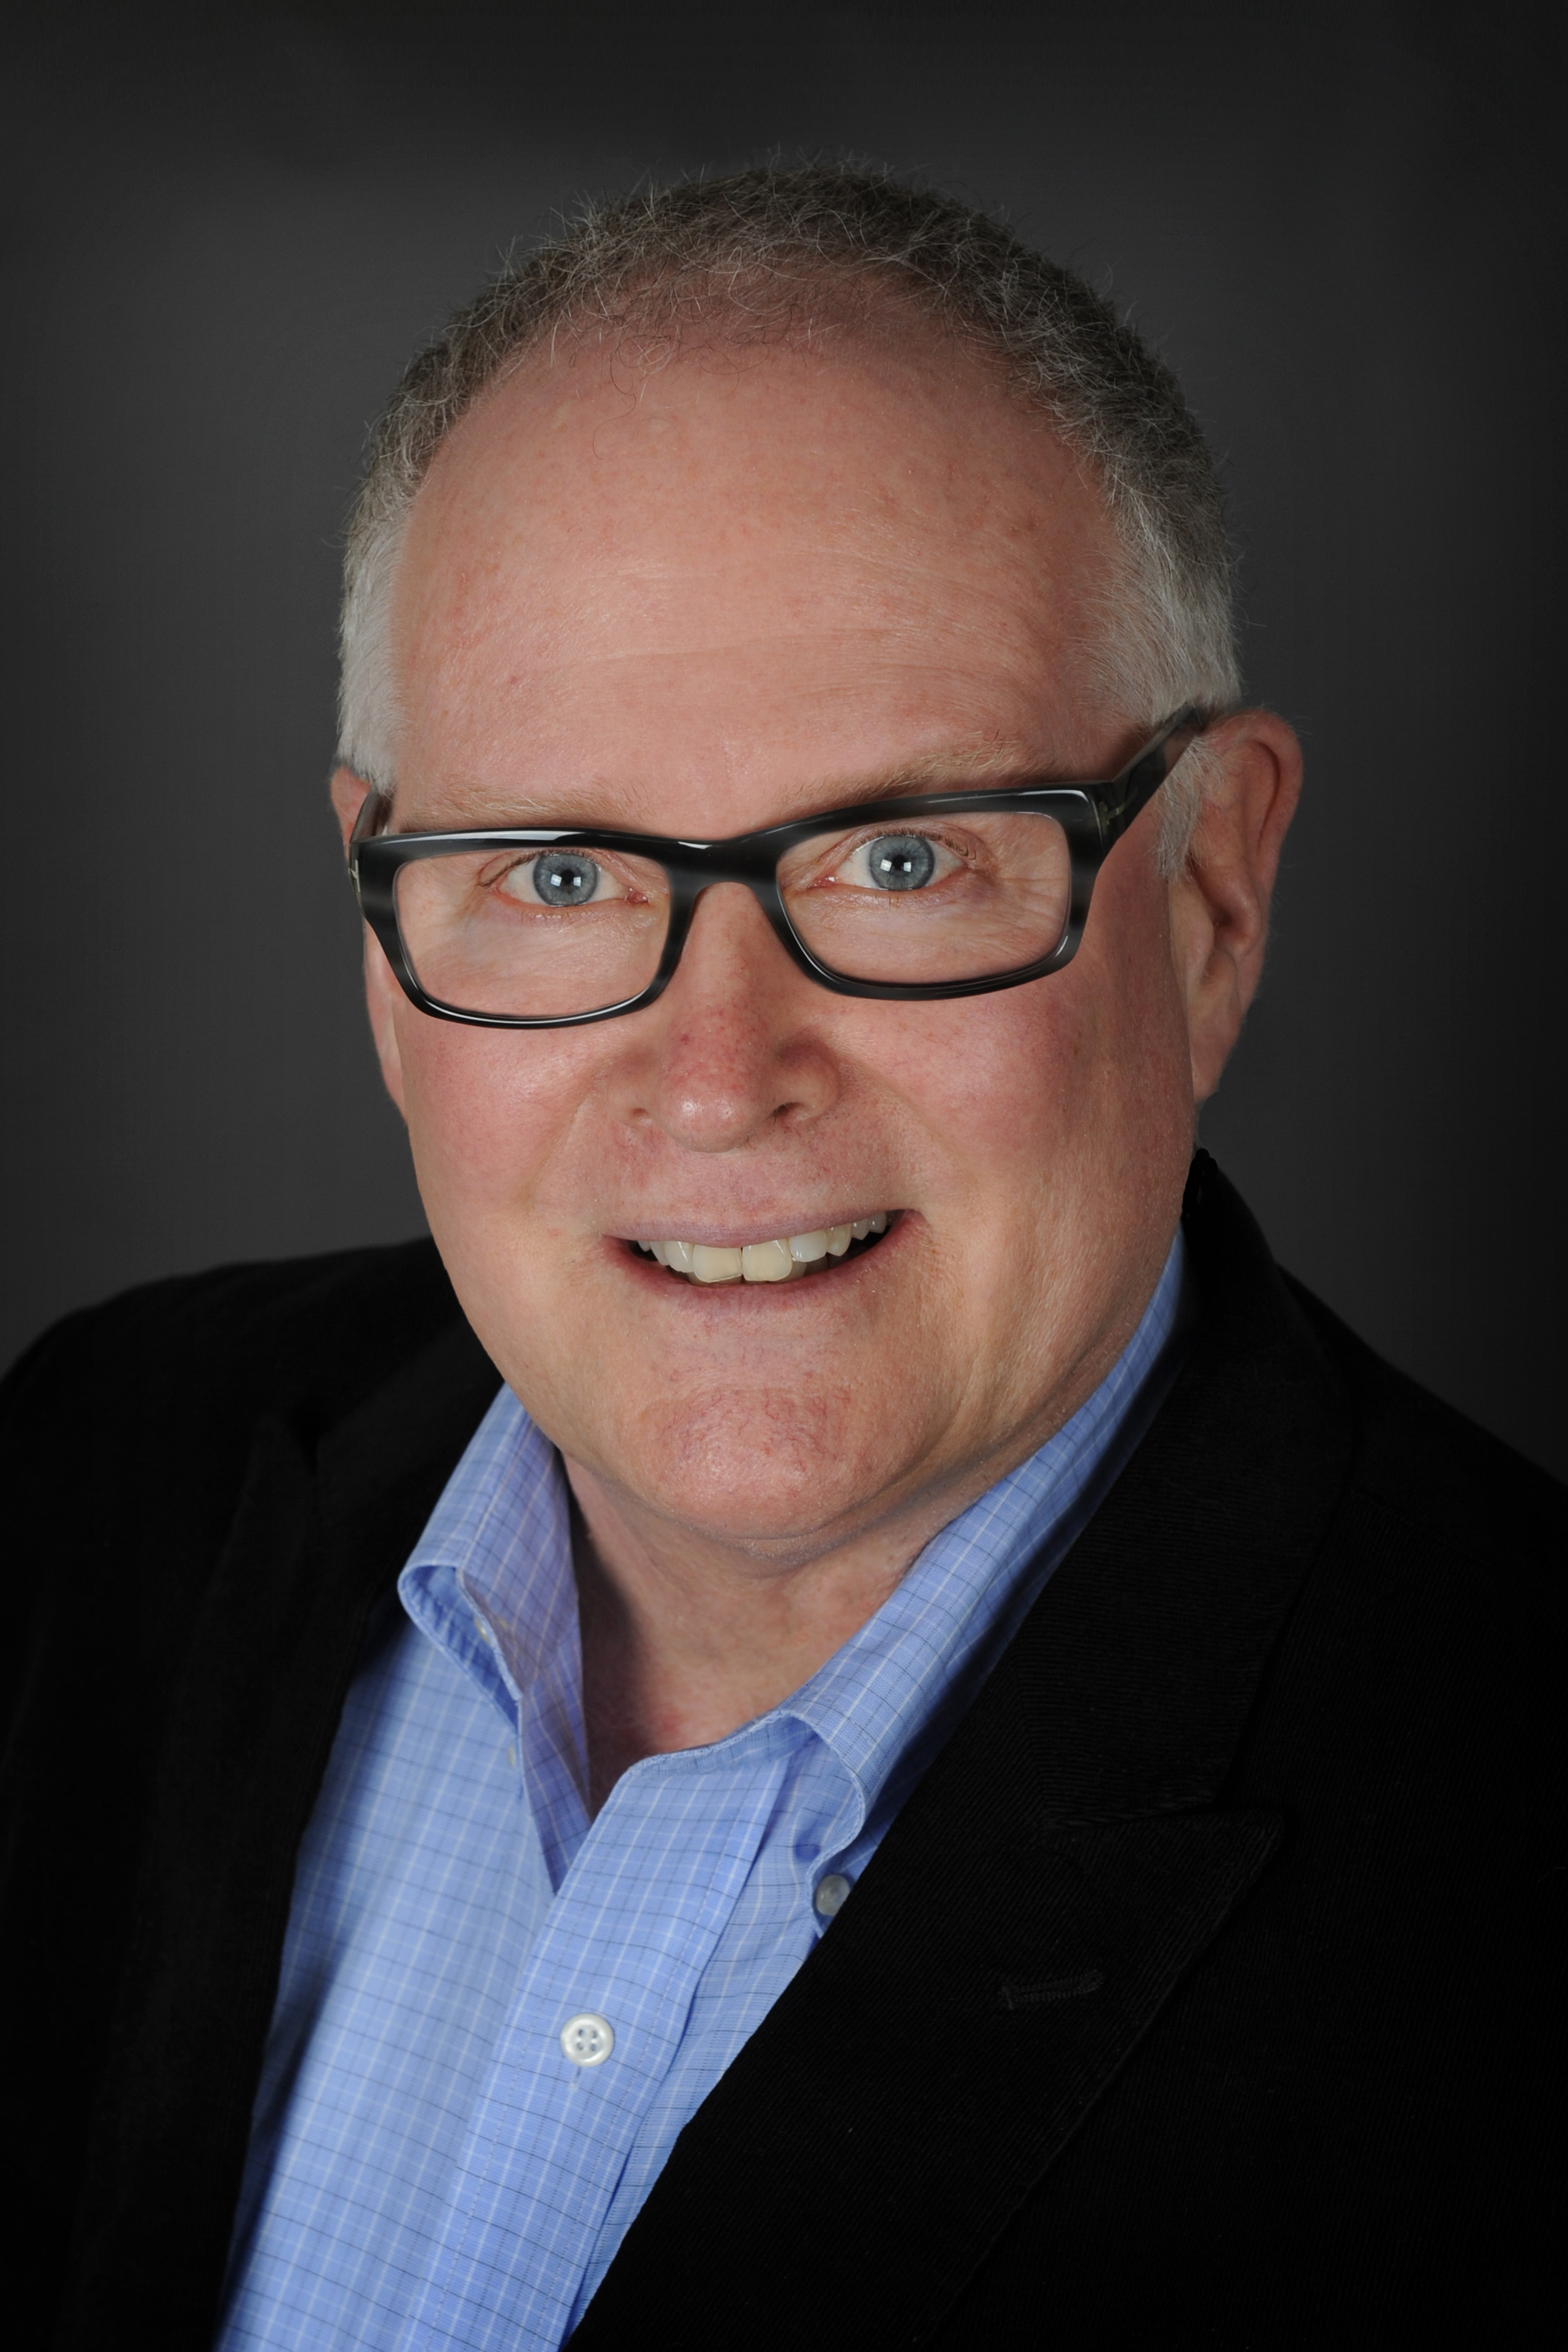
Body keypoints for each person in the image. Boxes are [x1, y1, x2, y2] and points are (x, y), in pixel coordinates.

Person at [3, 169, 1559, 2352]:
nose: (721, 1077)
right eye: (557, 873)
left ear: (1213, 894)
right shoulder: (87, 1483)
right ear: (381, 928)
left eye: (902, 857)